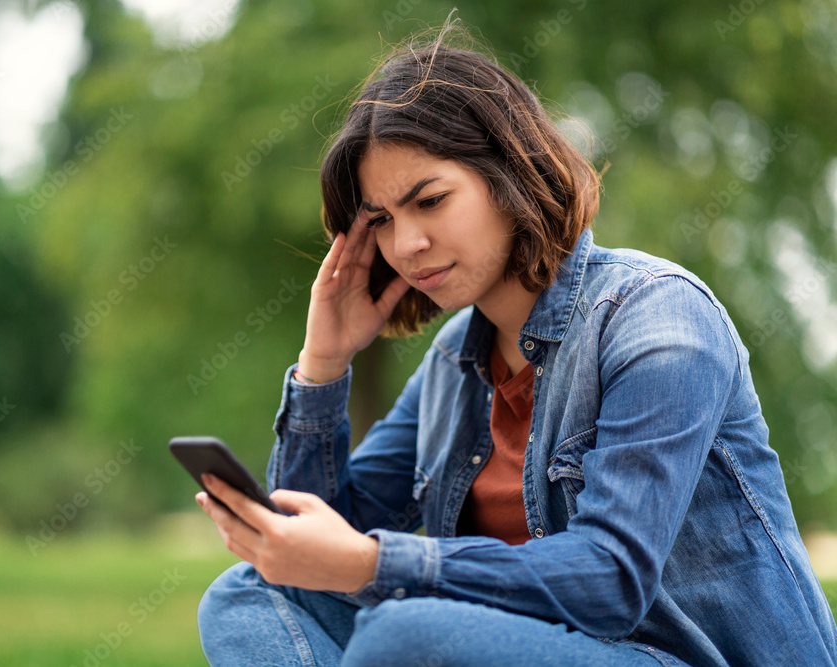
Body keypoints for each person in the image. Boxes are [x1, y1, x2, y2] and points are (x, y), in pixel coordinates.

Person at [194, 18, 837, 667]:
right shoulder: (453, 365)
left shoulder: (658, 317)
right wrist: (324, 364)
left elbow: (610, 577)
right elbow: (312, 550)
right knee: (251, 592)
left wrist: (374, 561)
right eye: (383, 220)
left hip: (681, 655)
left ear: (509, 176)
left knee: (404, 636)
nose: (406, 244)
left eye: (431, 200)